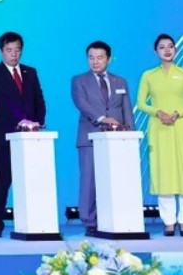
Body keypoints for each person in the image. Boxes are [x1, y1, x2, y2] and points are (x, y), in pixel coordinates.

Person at [0, 32, 46, 238]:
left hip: (31, 137)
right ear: (1, 51)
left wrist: (38, 122)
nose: (14, 54)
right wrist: (22, 121)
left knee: (31, 179)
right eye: (9, 50)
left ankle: (32, 220)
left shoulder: (30, 72)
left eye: (17, 50)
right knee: (2, 180)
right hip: (5, 135)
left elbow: (39, 99)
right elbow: (3, 102)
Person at [71, 40, 133, 237]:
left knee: (117, 179)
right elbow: (82, 104)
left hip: (117, 141)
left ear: (109, 59)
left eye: (99, 57)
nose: (95, 62)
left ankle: (116, 217)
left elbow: (126, 109)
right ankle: (89, 220)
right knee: (89, 180)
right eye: (91, 58)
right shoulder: (79, 80)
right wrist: (102, 118)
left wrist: (130, 132)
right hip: (89, 136)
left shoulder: (120, 81)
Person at [136, 33, 183, 236]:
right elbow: (141, 103)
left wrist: (177, 113)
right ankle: (169, 222)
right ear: (156, 51)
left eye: (171, 46)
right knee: (163, 174)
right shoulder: (149, 75)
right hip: (158, 128)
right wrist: (158, 112)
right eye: (162, 47)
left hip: (180, 126)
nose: (167, 50)